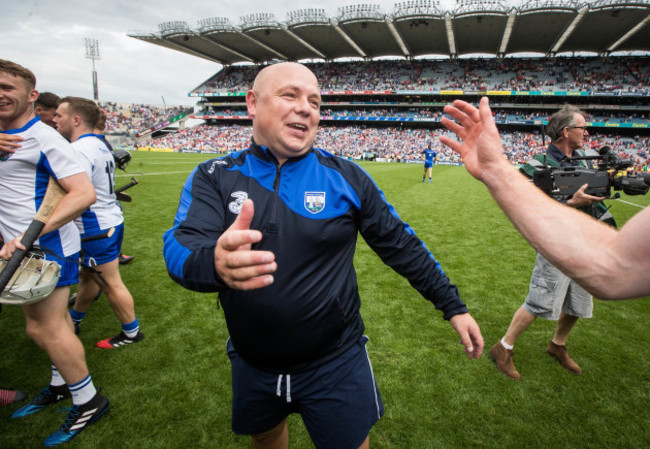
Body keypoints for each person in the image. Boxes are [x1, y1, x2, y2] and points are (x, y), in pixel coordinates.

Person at [163, 62, 483, 449]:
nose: (306, 108)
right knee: (265, 438)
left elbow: (401, 245)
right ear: (251, 103)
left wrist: (452, 304)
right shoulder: (214, 175)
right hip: (252, 362)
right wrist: (212, 262)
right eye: (290, 95)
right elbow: (180, 245)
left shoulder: (346, 177)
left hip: (335, 362)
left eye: (315, 101)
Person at [440, 97, 650, 301]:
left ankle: (558, 339)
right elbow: (524, 202)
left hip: (592, 235)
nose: (586, 132)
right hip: (556, 238)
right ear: (566, 132)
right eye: (582, 128)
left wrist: (614, 180)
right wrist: (570, 203)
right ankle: (507, 339)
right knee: (540, 303)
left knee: (579, 303)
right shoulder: (539, 163)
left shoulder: (586, 160)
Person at [0, 59, 108, 446]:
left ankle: (89, 400)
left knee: (43, 327)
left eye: (7, 87)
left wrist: (27, 236)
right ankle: (62, 385)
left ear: (31, 95)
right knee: (56, 324)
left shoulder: (44, 139)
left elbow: (83, 193)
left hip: (43, 249)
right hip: (25, 247)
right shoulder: (7, 134)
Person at [54, 96, 143, 348]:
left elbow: (77, 193)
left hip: (94, 227)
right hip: (108, 221)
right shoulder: (100, 145)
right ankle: (76, 318)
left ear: (76, 119)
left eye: (60, 115)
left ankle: (131, 333)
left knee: (110, 283)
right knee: (89, 276)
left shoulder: (78, 150)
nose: (55, 119)